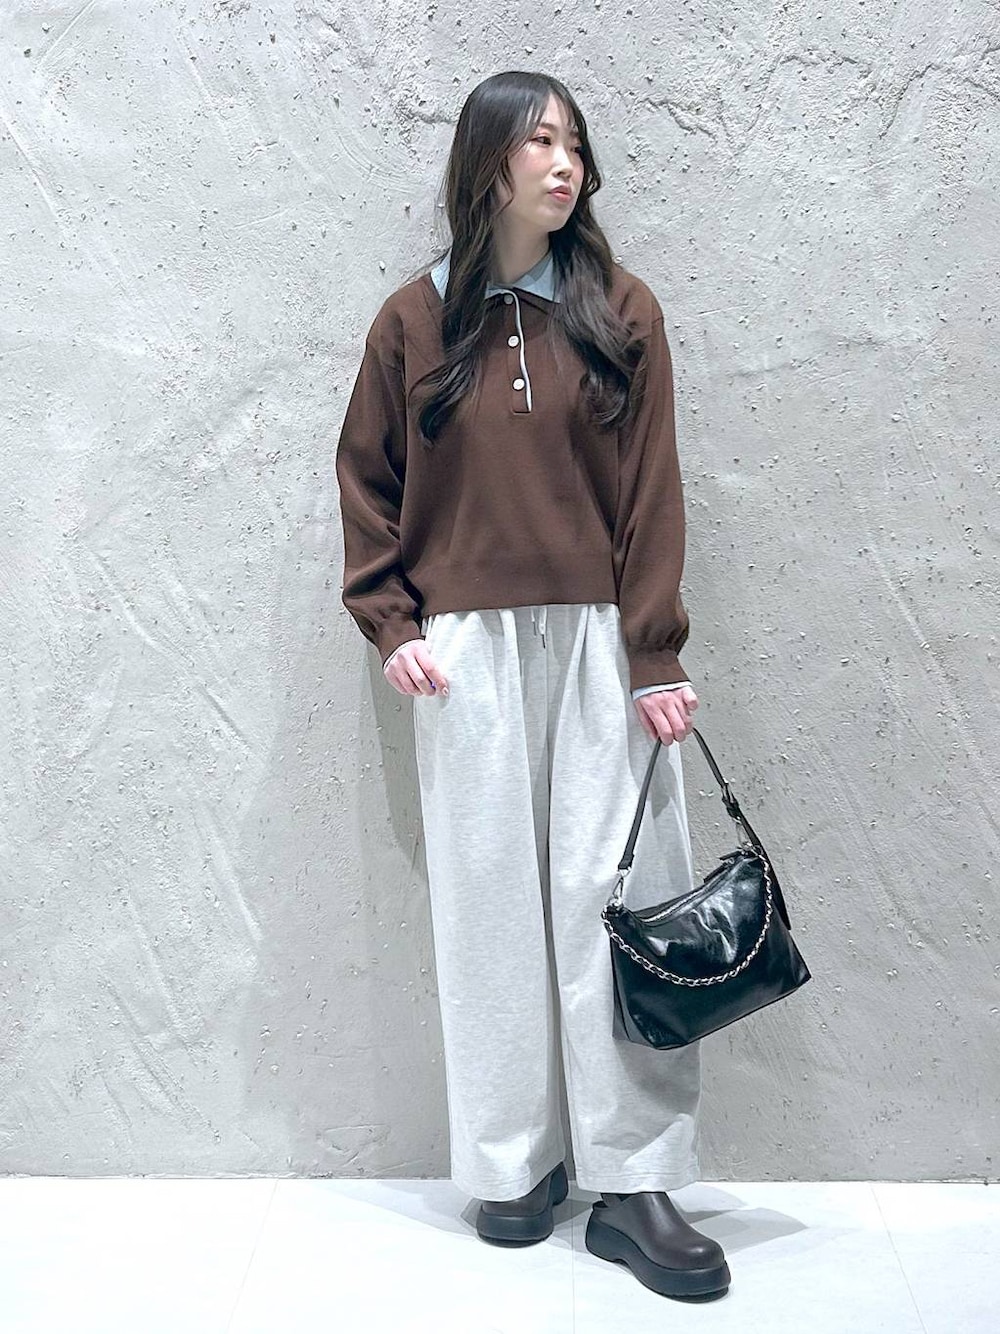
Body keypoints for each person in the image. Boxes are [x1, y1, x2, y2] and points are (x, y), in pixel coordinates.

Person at [335, 70, 730, 1302]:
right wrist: (392, 623)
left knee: (615, 903)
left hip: (604, 644)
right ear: (487, 160)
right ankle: (514, 1161)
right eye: (540, 141)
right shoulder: (414, 321)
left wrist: (653, 650)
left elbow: (653, 491)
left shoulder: (620, 308)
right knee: (490, 906)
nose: (565, 164)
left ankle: (633, 1181)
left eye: (575, 144)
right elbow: (365, 481)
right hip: (467, 656)